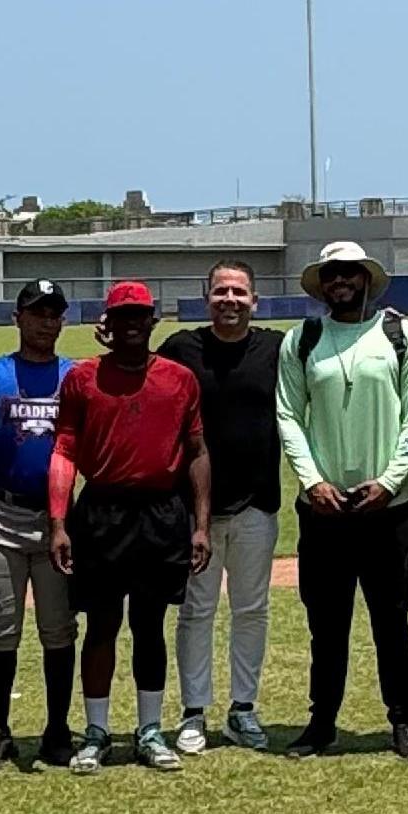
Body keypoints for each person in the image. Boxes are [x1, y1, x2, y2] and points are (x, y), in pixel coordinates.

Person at [49, 281, 211, 774]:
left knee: (149, 623)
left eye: (140, 316)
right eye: (122, 317)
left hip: (161, 513)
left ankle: (149, 728)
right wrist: (59, 521)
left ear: (152, 321)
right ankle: (96, 731)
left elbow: (198, 454)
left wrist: (200, 525)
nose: (132, 325)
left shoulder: (180, 379)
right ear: (108, 324)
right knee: (100, 625)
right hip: (101, 512)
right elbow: (64, 451)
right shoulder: (82, 379)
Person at [276, 241, 408, 760]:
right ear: (321, 284)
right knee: (326, 620)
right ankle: (322, 722)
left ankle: (403, 720)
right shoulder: (302, 340)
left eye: (349, 272)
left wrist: (389, 481)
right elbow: (288, 417)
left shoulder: (401, 335)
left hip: (387, 509)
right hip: (323, 510)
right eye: (331, 274)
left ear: (365, 278)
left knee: (392, 618)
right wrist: (311, 480)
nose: (339, 281)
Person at [159, 260, 285, 754]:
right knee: (196, 610)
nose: (229, 299)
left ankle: (243, 709)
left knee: (252, 609)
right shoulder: (181, 349)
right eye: (220, 291)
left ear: (254, 300)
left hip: (258, 503)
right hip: (197, 511)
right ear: (206, 297)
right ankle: (194, 712)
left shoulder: (277, 347)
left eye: (239, 292)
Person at [0, 280, 79, 772]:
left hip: (57, 519)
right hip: (1, 517)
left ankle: (57, 727)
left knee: (58, 629)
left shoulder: (75, 374)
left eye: (54, 313)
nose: (46, 321)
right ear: (18, 318)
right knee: (1, 629)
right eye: (37, 313)